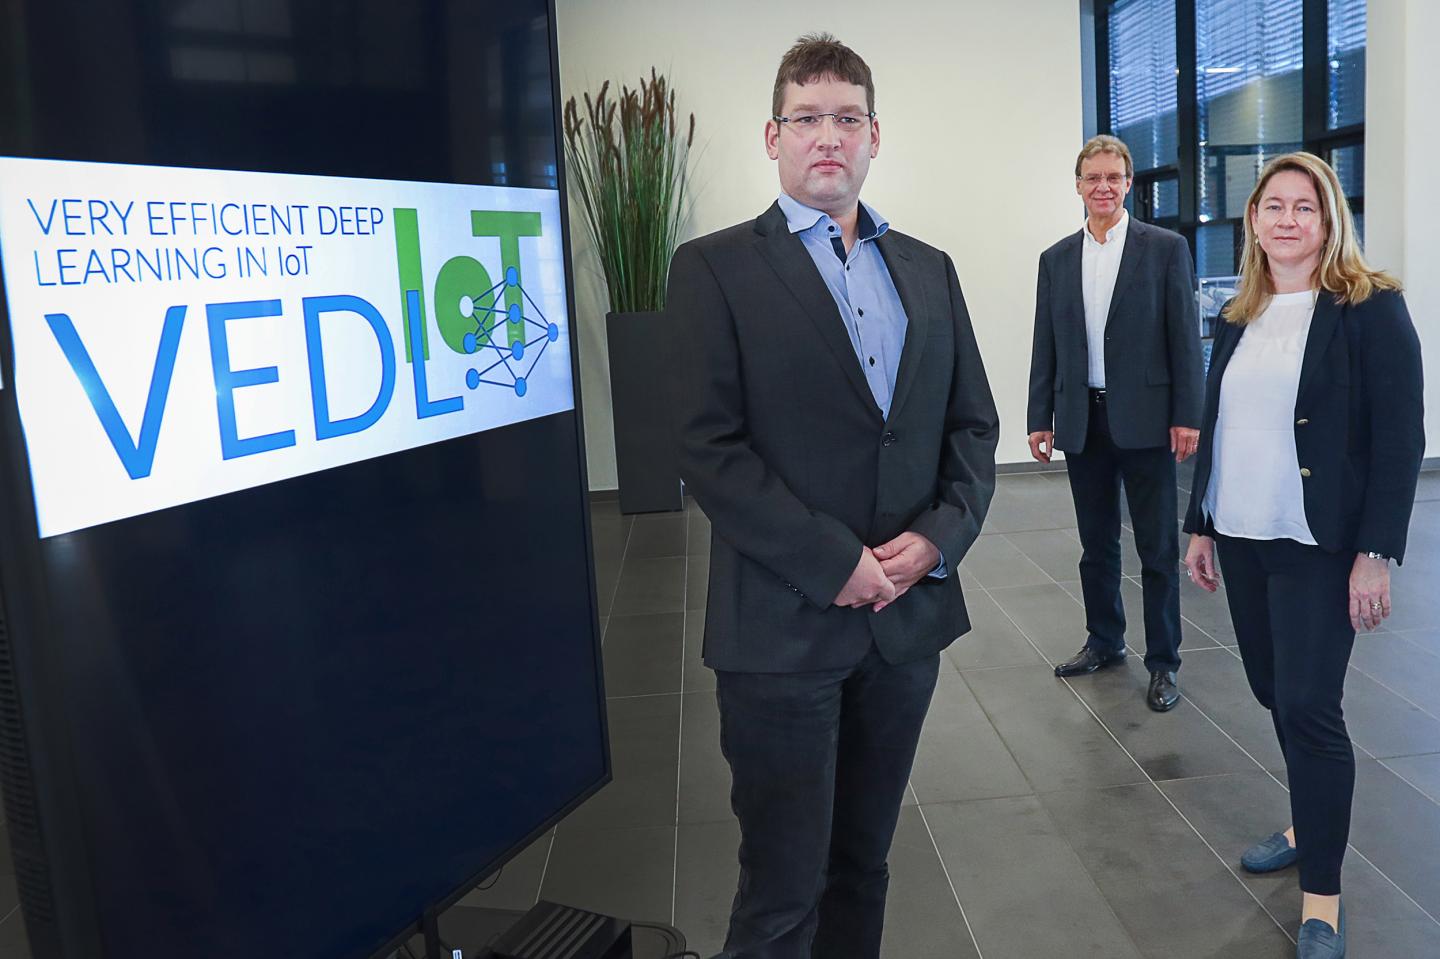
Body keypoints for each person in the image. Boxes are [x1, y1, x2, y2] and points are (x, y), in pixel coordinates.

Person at [667, 33, 998, 959]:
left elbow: (972, 427)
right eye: (807, 118)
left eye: (846, 118)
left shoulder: (928, 269)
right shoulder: (715, 269)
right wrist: (833, 560)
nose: (828, 136)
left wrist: (938, 539)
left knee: (863, 864)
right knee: (782, 888)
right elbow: (707, 448)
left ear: (874, 136)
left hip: (904, 628)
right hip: (781, 632)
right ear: (772, 136)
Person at [1182, 151, 1424, 959]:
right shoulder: (1235, 312)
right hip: (1244, 534)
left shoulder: (1369, 307)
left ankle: (1321, 896)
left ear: (1329, 220)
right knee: (1273, 691)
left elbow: (1399, 442)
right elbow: (1216, 426)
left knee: (1312, 709)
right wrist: (1200, 522)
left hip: (1319, 545)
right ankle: (1306, 817)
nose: (1288, 219)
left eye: (1305, 207)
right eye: (1274, 205)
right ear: (1253, 219)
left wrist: (1375, 552)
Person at [1026, 135, 1205, 711]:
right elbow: (1045, 345)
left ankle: (1164, 663)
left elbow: (1184, 338)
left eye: (1113, 177)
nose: (1102, 187)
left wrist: (1187, 414)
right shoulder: (1056, 259)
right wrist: (1039, 417)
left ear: (1129, 184)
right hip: (1083, 419)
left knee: (1155, 549)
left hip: (1149, 421)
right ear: (1077, 185)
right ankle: (1105, 641)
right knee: (1095, 545)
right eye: (1091, 178)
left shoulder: (1165, 249)